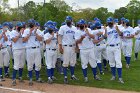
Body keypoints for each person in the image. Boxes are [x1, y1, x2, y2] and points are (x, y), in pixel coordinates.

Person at [22, 19, 43, 86]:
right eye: (30, 23)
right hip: (29, 49)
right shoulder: (26, 31)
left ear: (34, 24)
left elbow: (40, 39)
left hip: (37, 49)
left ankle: (37, 78)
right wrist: (30, 33)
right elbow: (24, 40)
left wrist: (35, 32)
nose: (31, 24)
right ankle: (30, 79)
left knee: (38, 64)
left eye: (32, 23)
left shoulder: (38, 30)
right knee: (30, 65)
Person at [58, 16, 78, 84]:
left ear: (71, 21)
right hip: (65, 47)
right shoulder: (62, 27)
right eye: (67, 20)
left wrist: (76, 47)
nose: (68, 21)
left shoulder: (74, 28)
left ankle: (72, 75)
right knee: (65, 63)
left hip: (73, 46)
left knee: (73, 62)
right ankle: (65, 77)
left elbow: (76, 38)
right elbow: (59, 37)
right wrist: (60, 46)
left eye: (69, 20)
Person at [104, 17, 124, 84]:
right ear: (107, 22)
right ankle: (113, 76)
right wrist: (106, 30)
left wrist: (117, 29)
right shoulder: (106, 28)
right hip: (109, 47)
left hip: (116, 47)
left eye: (111, 22)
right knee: (111, 62)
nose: (110, 23)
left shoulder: (117, 27)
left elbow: (121, 34)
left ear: (113, 22)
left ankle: (120, 78)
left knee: (118, 62)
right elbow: (104, 37)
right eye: (108, 22)